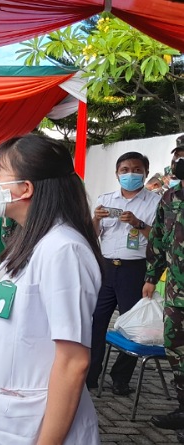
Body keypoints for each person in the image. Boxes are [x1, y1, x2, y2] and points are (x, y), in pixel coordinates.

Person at [0, 134, 101, 444]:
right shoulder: (31, 240)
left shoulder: (64, 250)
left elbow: (73, 361)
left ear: (25, 188)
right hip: (4, 419)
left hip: (33, 429)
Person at [86, 151, 160, 394]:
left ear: (146, 173)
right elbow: (92, 236)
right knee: (96, 321)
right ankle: (90, 374)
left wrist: (138, 223)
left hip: (135, 270)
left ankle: (121, 378)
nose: (131, 174)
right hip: (107, 268)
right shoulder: (106, 200)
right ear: (117, 174)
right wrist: (96, 219)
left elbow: (160, 239)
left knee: (131, 325)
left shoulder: (155, 202)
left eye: (137, 170)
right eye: (125, 170)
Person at [146, 135, 184, 436]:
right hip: (176, 295)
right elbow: (158, 240)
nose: (180, 160)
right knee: (176, 352)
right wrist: (150, 277)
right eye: (179, 155)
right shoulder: (170, 198)